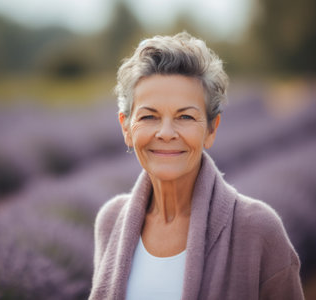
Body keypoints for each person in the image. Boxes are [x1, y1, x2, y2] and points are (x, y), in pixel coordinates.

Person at [89, 32, 304, 300]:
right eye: (149, 116)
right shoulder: (110, 221)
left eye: (185, 116)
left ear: (212, 129)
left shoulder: (258, 229)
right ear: (126, 127)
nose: (166, 133)